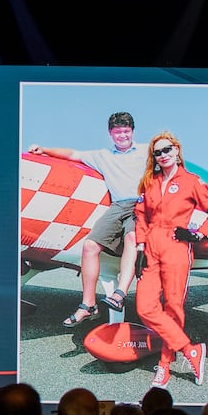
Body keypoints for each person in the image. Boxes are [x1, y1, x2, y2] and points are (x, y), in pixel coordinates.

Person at [28, 110, 145, 325]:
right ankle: (88, 304)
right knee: (90, 246)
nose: (122, 136)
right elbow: (73, 154)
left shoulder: (147, 151)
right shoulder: (102, 156)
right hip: (118, 205)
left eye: (126, 131)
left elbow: (173, 161)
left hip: (141, 203)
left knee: (131, 239)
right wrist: (43, 150)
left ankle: (119, 295)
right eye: (118, 132)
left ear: (132, 131)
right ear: (111, 133)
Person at [132, 129, 208, 388]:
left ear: (177, 151)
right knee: (145, 307)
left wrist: (198, 234)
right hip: (151, 247)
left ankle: (164, 365)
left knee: (173, 307)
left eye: (167, 150)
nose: (163, 155)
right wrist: (139, 248)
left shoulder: (192, 181)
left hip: (177, 246)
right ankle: (190, 350)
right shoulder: (149, 182)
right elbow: (140, 215)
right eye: (157, 152)